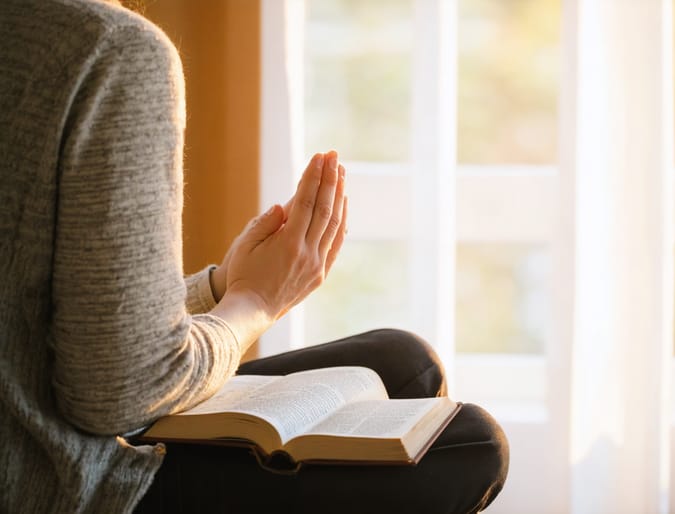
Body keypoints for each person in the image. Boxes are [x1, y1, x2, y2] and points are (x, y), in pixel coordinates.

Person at [0, 0, 508, 512]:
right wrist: (257, 300)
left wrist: (218, 289)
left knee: (404, 363)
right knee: (473, 444)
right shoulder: (109, 50)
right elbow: (123, 392)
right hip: (47, 480)